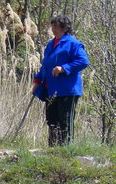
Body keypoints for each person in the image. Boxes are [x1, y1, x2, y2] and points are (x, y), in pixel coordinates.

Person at [31, 15, 89, 146]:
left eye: (56, 26)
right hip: (51, 89)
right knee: (52, 120)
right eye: (52, 25)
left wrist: (63, 68)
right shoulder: (51, 44)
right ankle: (52, 149)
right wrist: (37, 80)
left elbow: (83, 61)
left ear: (65, 27)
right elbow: (46, 65)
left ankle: (65, 150)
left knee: (65, 121)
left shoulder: (73, 43)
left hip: (67, 90)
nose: (53, 29)